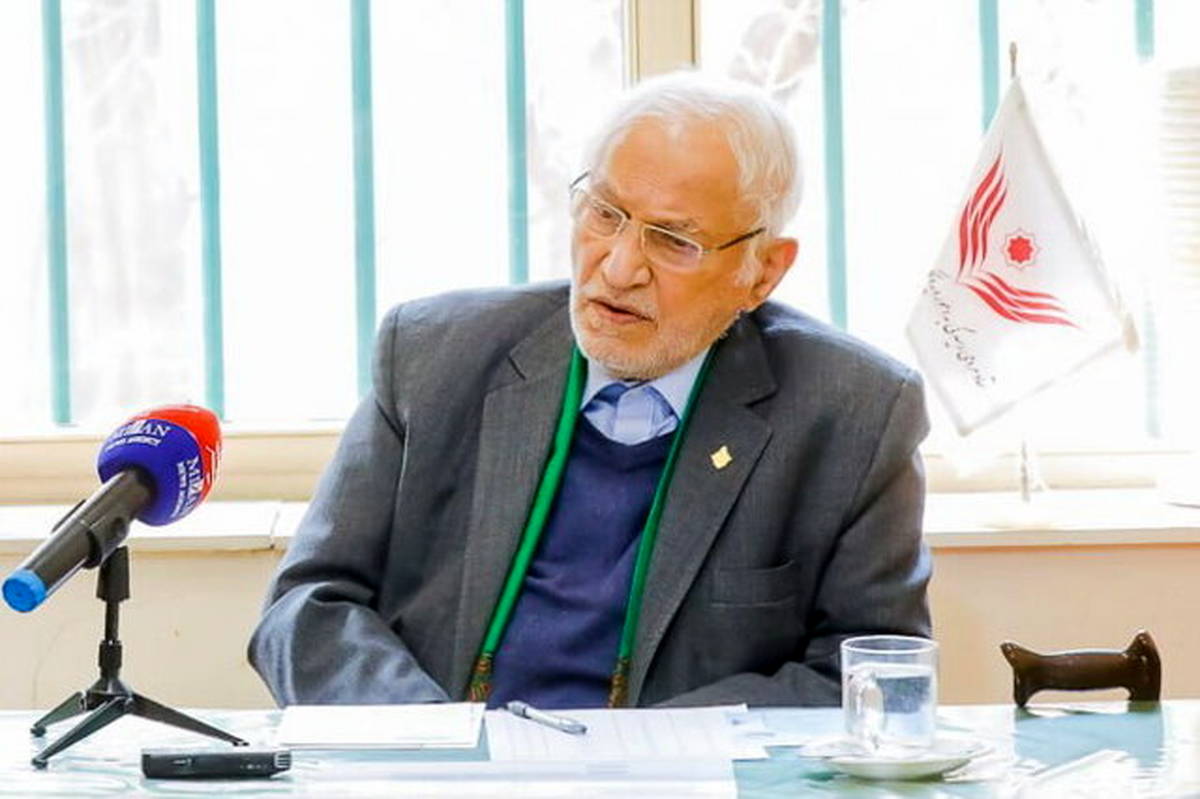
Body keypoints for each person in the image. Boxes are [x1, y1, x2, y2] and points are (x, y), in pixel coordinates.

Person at [249, 71, 931, 709]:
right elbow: (308, 607)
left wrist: (644, 756)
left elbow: (877, 676)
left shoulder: (854, 413)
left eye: (674, 241)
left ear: (763, 272)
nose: (620, 267)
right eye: (605, 214)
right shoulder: (434, 356)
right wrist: (439, 745)